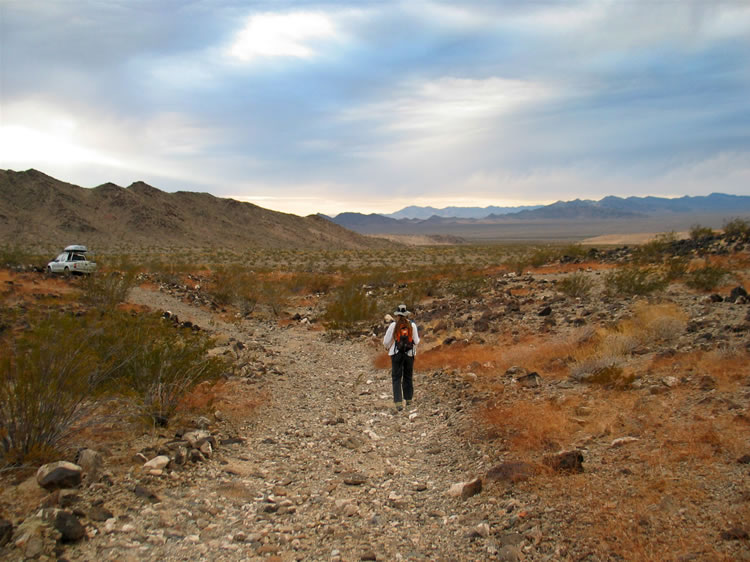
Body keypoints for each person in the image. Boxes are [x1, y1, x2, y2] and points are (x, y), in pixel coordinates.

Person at [383, 304, 420, 411]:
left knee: (396, 377)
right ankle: (408, 400)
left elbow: (386, 341)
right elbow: (416, 341)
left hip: (396, 354)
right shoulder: (412, 325)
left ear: (397, 315)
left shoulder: (393, 325)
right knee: (408, 376)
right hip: (409, 354)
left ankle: (398, 402)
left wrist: (387, 347)